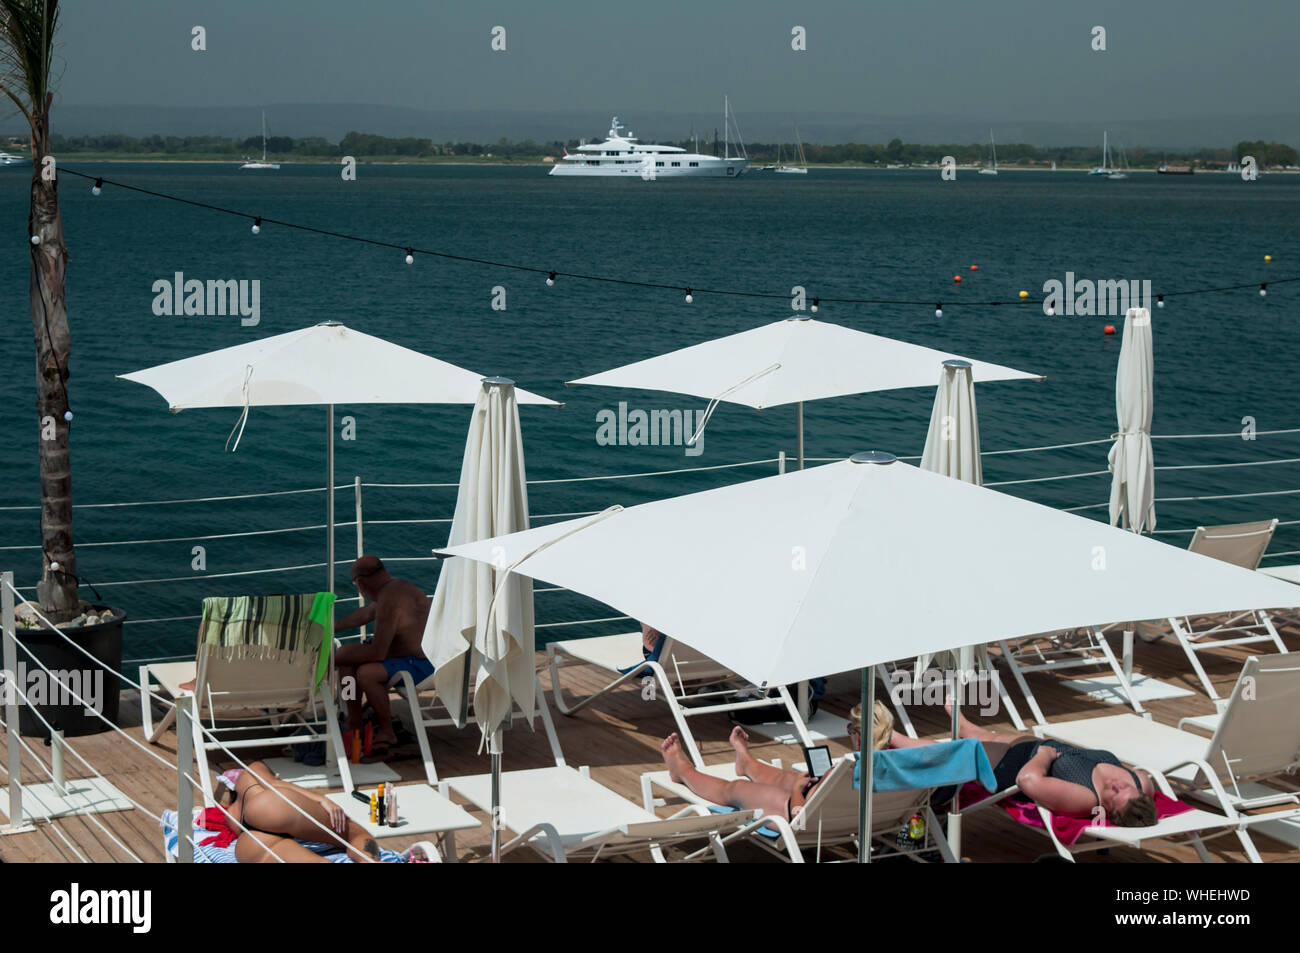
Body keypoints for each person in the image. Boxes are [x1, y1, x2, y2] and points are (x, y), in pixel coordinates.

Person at [887, 702, 1159, 827]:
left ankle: (890, 736)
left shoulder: (1086, 798)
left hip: (1013, 767)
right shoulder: (1140, 782)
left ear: (1106, 809)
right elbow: (1143, 783)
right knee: (991, 736)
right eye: (1123, 785)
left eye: (1114, 792)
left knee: (952, 752)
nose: (1116, 783)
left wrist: (1045, 756)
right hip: (1033, 746)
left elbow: (1028, 781)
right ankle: (962, 723)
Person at [659, 701, 895, 824]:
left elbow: (800, 817)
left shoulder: (844, 770)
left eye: (849, 729)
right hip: (852, 815)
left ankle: (683, 770)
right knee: (788, 777)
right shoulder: (895, 766)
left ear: (858, 735)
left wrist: (796, 791)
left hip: (805, 819)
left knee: (736, 789)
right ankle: (747, 762)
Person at [334, 556, 432, 761]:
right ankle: (355, 720)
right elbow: (364, 614)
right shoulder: (394, 589)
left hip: (420, 663)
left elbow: (378, 652)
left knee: (365, 672)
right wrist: (331, 627)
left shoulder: (390, 599)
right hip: (403, 657)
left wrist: (338, 655)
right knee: (347, 667)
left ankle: (387, 730)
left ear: (360, 583)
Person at [209, 760, 380, 863]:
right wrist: (320, 798)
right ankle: (370, 860)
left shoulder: (230, 815)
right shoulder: (251, 769)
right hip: (269, 807)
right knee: (354, 833)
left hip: (247, 842)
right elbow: (272, 784)